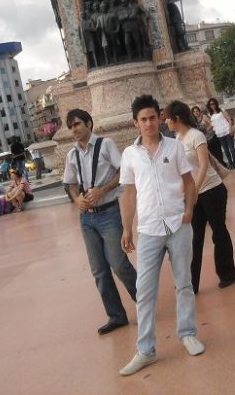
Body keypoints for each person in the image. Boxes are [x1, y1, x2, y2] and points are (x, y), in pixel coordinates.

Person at [119, 94, 203, 376]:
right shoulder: (130, 155)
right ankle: (145, 350)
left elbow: (188, 181)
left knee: (184, 283)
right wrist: (126, 227)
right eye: (143, 119)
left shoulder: (175, 146)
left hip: (178, 223)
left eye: (153, 117)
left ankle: (188, 333)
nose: (149, 123)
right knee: (145, 291)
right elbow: (129, 193)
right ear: (136, 123)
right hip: (149, 229)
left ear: (160, 118)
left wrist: (189, 209)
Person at [63, 108, 137, 336]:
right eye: (71, 126)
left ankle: (144, 301)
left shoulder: (105, 145)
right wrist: (77, 200)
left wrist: (102, 189)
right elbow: (70, 183)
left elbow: (123, 171)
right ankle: (116, 316)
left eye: (77, 124)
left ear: (89, 124)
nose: (74, 129)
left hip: (108, 212)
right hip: (87, 218)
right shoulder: (71, 155)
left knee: (118, 263)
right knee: (99, 270)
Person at [164, 100, 235, 295]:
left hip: (212, 191)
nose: (167, 122)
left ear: (177, 118)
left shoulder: (196, 136)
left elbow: (204, 165)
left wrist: (194, 190)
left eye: (168, 118)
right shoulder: (176, 139)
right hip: (193, 195)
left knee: (219, 232)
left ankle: (227, 274)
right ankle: (190, 284)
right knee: (193, 239)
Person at [207, 97, 235, 169]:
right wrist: (205, 130)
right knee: (226, 150)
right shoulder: (210, 114)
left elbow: (229, 119)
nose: (212, 105)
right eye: (211, 104)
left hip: (227, 131)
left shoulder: (221, 110)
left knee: (232, 149)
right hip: (219, 134)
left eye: (214, 103)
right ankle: (231, 164)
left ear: (216, 104)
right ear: (209, 106)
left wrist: (231, 129)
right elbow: (212, 124)